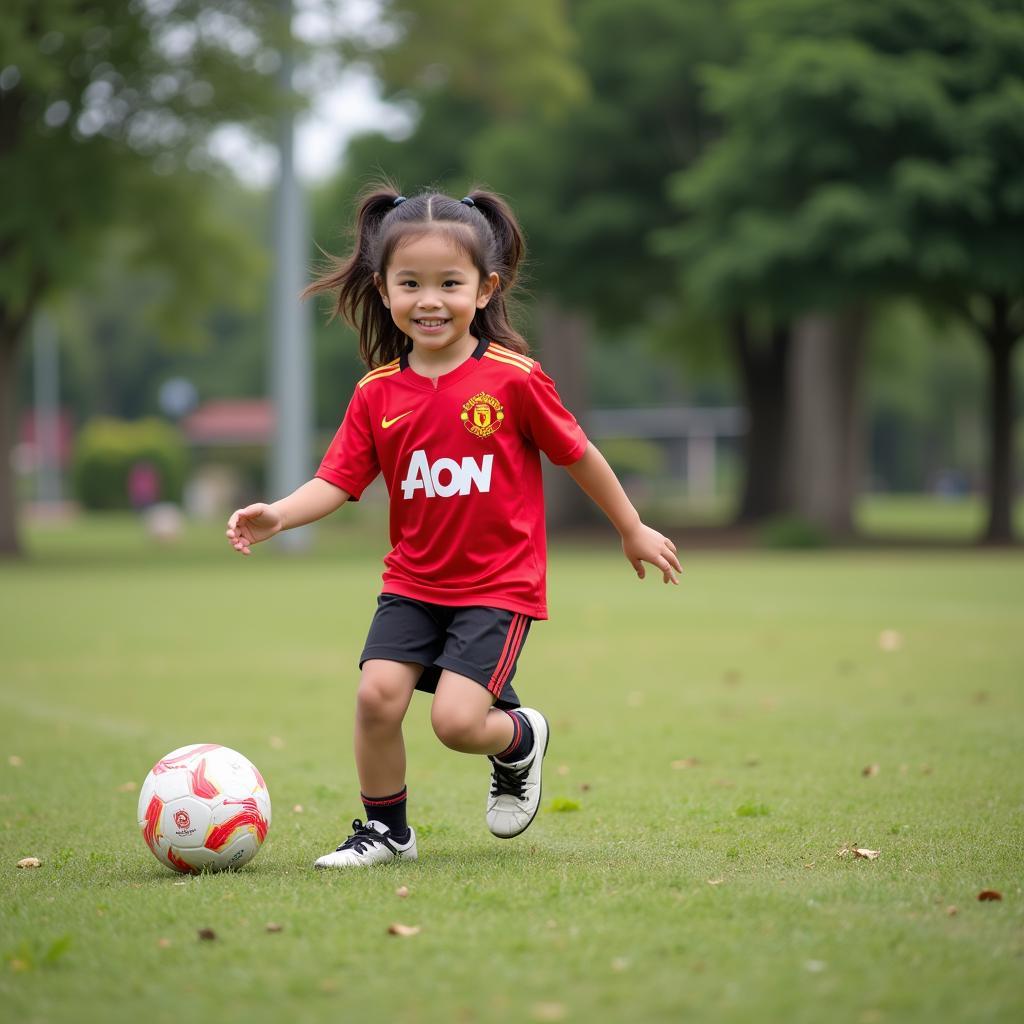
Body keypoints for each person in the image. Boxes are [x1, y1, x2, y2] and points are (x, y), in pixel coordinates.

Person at [226, 184, 681, 869]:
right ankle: (387, 832)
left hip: (497, 585)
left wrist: (631, 526)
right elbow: (338, 481)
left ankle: (520, 740)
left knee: (457, 724)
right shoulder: (376, 392)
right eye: (410, 283)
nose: (429, 300)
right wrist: (278, 515)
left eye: (449, 283)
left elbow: (579, 454)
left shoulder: (514, 379)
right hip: (413, 582)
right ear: (383, 290)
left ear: (485, 288)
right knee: (377, 697)